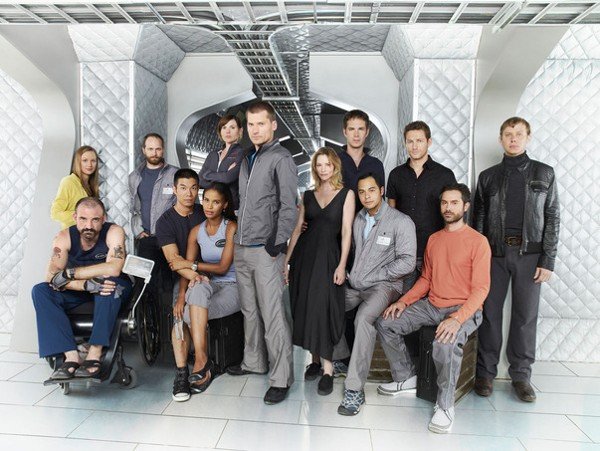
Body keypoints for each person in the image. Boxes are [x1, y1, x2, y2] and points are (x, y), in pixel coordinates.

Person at [376, 183, 491, 434]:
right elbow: (426, 279)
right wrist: (403, 301)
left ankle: (446, 406)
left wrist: (457, 319)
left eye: (454, 203)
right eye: (444, 203)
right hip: (432, 304)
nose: (448, 208)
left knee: (444, 344)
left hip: (463, 308)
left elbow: (481, 289)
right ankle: (405, 377)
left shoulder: (478, 242)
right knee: (386, 323)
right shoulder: (434, 240)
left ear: (465, 206)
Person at [474, 117, 560, 403]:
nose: (513, 139)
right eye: (508, 134)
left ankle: (521, 376)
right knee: (490, 314)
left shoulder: (544, 173)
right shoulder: (487, 177)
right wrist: (478, 259)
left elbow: (552, 217)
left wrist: (547, 259)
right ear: (501, 139)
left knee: (525, 316)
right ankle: (485, 373)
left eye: (519, 134)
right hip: (494, 254)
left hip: (530, 255)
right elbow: (478, 220)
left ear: (528, 137)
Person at [227, 101, 298, 406]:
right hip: (243, 246)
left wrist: (276, 245)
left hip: (265, 251)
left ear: (273, 125)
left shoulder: (281, 158)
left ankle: (281, 378)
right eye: (251, 125)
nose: (255, 130)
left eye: (261, 124)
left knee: (273, 315)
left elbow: (289, 205)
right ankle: (254, 361)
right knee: (250, 311)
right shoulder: (248, 158)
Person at [334, 172, 416, 416]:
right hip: (357, 284)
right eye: (361, 192)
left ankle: (354, 389)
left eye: (371, 190)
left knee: (363, 319)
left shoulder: (401, 222)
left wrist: (378, 275)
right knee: (328, 303)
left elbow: (408, 262)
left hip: (385, 286)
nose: (366, 196)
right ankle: (341, 358)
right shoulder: (359, 219)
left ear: (381, 191)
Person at [32, 197, 132, 379]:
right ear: (75, 218)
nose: (89, 226)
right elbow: (51, 276)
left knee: (108, 284)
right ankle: (71, 356)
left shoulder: (114, 232)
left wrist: (71, 273)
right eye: (83, 219)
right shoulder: (63, 237)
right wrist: (85, 285)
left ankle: (95, 352)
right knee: (41, 290)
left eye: (95, 220)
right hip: (80, 290)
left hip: (111, 288)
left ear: (103, 219)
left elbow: (114, 268)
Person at [285, 147, 355, 396]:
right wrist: (287, 262)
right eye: (319, 165)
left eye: (327, 164)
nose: (323, 169)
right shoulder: (308, 194)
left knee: (323, 308)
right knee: (306, 308)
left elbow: (346, 231)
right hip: (305, 258)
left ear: (335, 166)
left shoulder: (346, 194)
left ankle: (328, 369)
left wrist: (342, 265)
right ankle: (314, 362)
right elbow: (297, 230)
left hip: (329, 259)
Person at [169, 182, 241, 393]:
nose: (209, 206)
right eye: (206, 200)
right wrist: (181, 296)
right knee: (197, 287)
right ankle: (202, 360)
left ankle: (200, 363)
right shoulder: (196, 232)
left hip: (233, 287)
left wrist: (190, 265)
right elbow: (185, 271)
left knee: (188, 315)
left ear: (224, 205)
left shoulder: (231, 228)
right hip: (211, 284)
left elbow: (223, 267)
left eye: (215, 202)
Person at [387, 121, 457, 292]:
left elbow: (453, 215)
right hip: (403, 252)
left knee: (434, 299)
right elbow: (390, 215)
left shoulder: (445, 175)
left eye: (419, 141)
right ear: (405, 143)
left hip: (434, 252)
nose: (414, 146)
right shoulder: (396, 175)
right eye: (410, 141)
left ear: (429, 142)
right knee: (402, 300)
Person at [155, 168, 206, 402]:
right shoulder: (165, 222)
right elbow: (174, 260)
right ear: (174, 190)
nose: (189, 193)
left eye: (193, 188)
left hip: (211, 272)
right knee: (179, 316)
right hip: (183, 275)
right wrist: (194, 276)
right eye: (183, 188)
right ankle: (181, 374)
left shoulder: (205, 212)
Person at [128, 133, 178, 294]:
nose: (154, 153)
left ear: (163, 150)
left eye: (158, 149)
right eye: (150, 149)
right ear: (143, 150)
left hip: (169, 238)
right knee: (145, 285)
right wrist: (138, 230)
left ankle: (170, 311)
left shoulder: (175, 174)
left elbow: (183, 204)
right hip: (147, 238)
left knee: (170, 282)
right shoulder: (134, 177)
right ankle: (147, 312)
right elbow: (132, 207)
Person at [198, 114, 246, 210]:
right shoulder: (213, 154)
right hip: (210, 206)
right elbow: (200, 181)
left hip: (231, 207)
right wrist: (222, 176)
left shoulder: (242, 153)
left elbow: (228, 178)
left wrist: (208, 174)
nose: (227, 131)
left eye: (232, 127)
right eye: (224, 127)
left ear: (240, 131)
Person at [338, 109, 385, 198]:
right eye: (351, 129)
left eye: (361, 129)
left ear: (367, 132)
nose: (356, 134)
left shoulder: (376, 165)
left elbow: (380, 201)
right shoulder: (334, 162)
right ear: (345, 132)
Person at [51, 146, 100, 229]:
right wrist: (82, 216)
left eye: (93, 161)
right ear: (78, 162)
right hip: (72, 233)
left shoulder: (92, 185)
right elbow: (55, 213)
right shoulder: (69, 182)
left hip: (88, 233)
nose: (89, 164)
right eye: (85, 160)